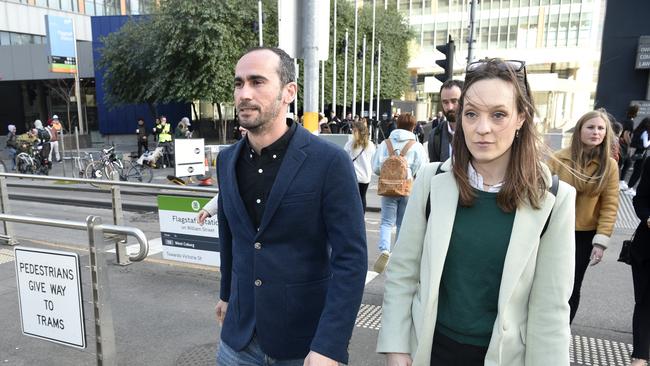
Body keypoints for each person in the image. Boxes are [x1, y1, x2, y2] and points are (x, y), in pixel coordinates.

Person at [377, 59, 576, 365]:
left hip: (504, 356)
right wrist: (396, 346)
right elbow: (403, 273)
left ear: (521, 117)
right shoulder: (432, 181)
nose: (483, 129)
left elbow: (550, 310)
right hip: (430, 349)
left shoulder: (554, 198)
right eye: (471, 114)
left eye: (499, 115)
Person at [210, 46, 367, 366]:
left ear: (288, 92)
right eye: (239, 83)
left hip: (304, 343)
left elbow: (351, 259)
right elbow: (230, 235)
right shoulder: (226, 160)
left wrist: (331, 344)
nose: (244, 93)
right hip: (238, 339)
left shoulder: (329, 162)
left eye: (257, 82)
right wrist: (226, 293)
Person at [547, 109, 619, 323]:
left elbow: (610, 205)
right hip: (555, 230)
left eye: (600, 128)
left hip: (585, 235)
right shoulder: (558, 159)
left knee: (572, 285)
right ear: (579, 131)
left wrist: (601, 241)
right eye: (590, 127)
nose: (596, 132)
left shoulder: (610, 165)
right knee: (547, 281)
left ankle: (562, 330)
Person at [371, 113, 427, 273]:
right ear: (413, 126)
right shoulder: (416, 146)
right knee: (403, 222)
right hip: (407, 188)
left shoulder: (385, 144)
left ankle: (384, 250)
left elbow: (375, 167)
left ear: (397, 124)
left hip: (388, 188)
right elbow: (423, 169)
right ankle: (398, 254)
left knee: (386, 222)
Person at [631, 157, 650, 366]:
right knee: (645, 301)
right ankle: (641, 355)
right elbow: (640, 200)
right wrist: (647, 218)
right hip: (646, 246)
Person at [427, 79, 464, 162]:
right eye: (445, 102)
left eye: (454, 101)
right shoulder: (434, 136)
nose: (450, 107)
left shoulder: (476, 131)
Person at [344, 119, 376, 212]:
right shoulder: (370, 144)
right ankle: (361, 217)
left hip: (353, 176)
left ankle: (353, 217)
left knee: (352, 198)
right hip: (366, 176)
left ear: (355, 131)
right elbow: (373, 160)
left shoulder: (350, 144)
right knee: (362, 197)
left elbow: (345, 158)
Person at [626, 117, 650, 195]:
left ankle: (629, 187)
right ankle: (630, 188)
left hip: (637, 152)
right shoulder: (645, 132)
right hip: (641, 153)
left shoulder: (638, 130)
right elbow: (646, 144)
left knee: (636, 170)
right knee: (638, 172)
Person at [620, 104, 639, 190]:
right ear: (635, 112)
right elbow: (626, 134)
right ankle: (620, 181)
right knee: (625, 163)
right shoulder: (630, 122)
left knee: (627, 163)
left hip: (621, 144)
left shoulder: (625, 120)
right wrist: (629, 145)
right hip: (623, 145)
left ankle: (621, 181)